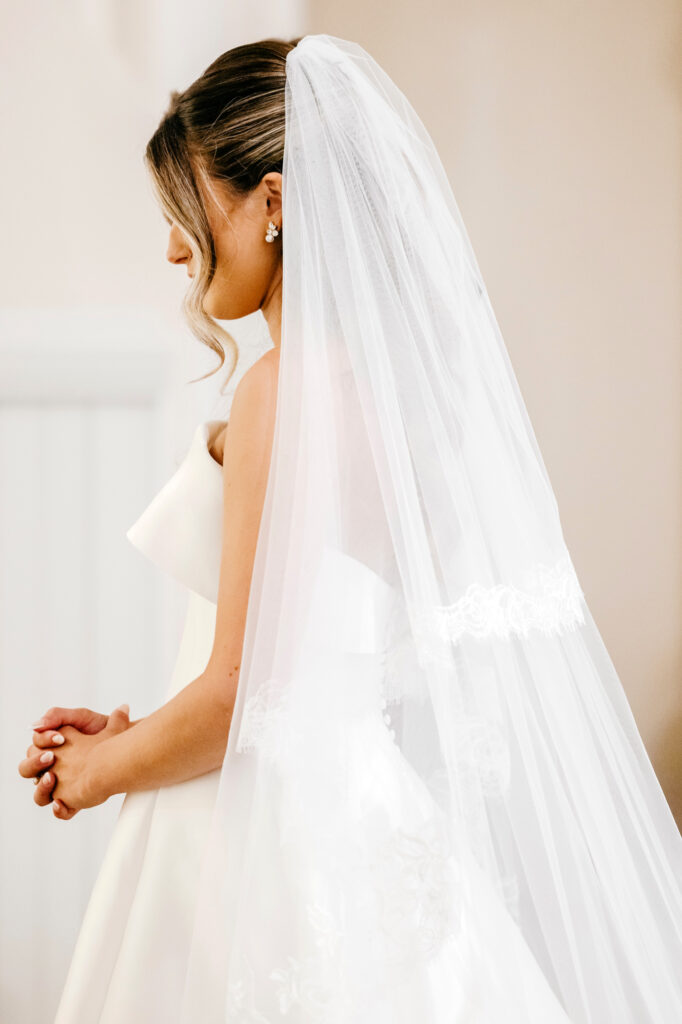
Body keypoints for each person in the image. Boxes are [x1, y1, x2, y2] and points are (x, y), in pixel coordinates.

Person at [18, 34, 682, 1023]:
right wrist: (138, 732)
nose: (171, 247)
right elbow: (326, 665)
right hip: (357, 808)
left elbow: (243, 686)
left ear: (272, 204)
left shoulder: (282, 391)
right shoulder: (413, 393)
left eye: (184, 212)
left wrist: (96, 769)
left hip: (265, 825)